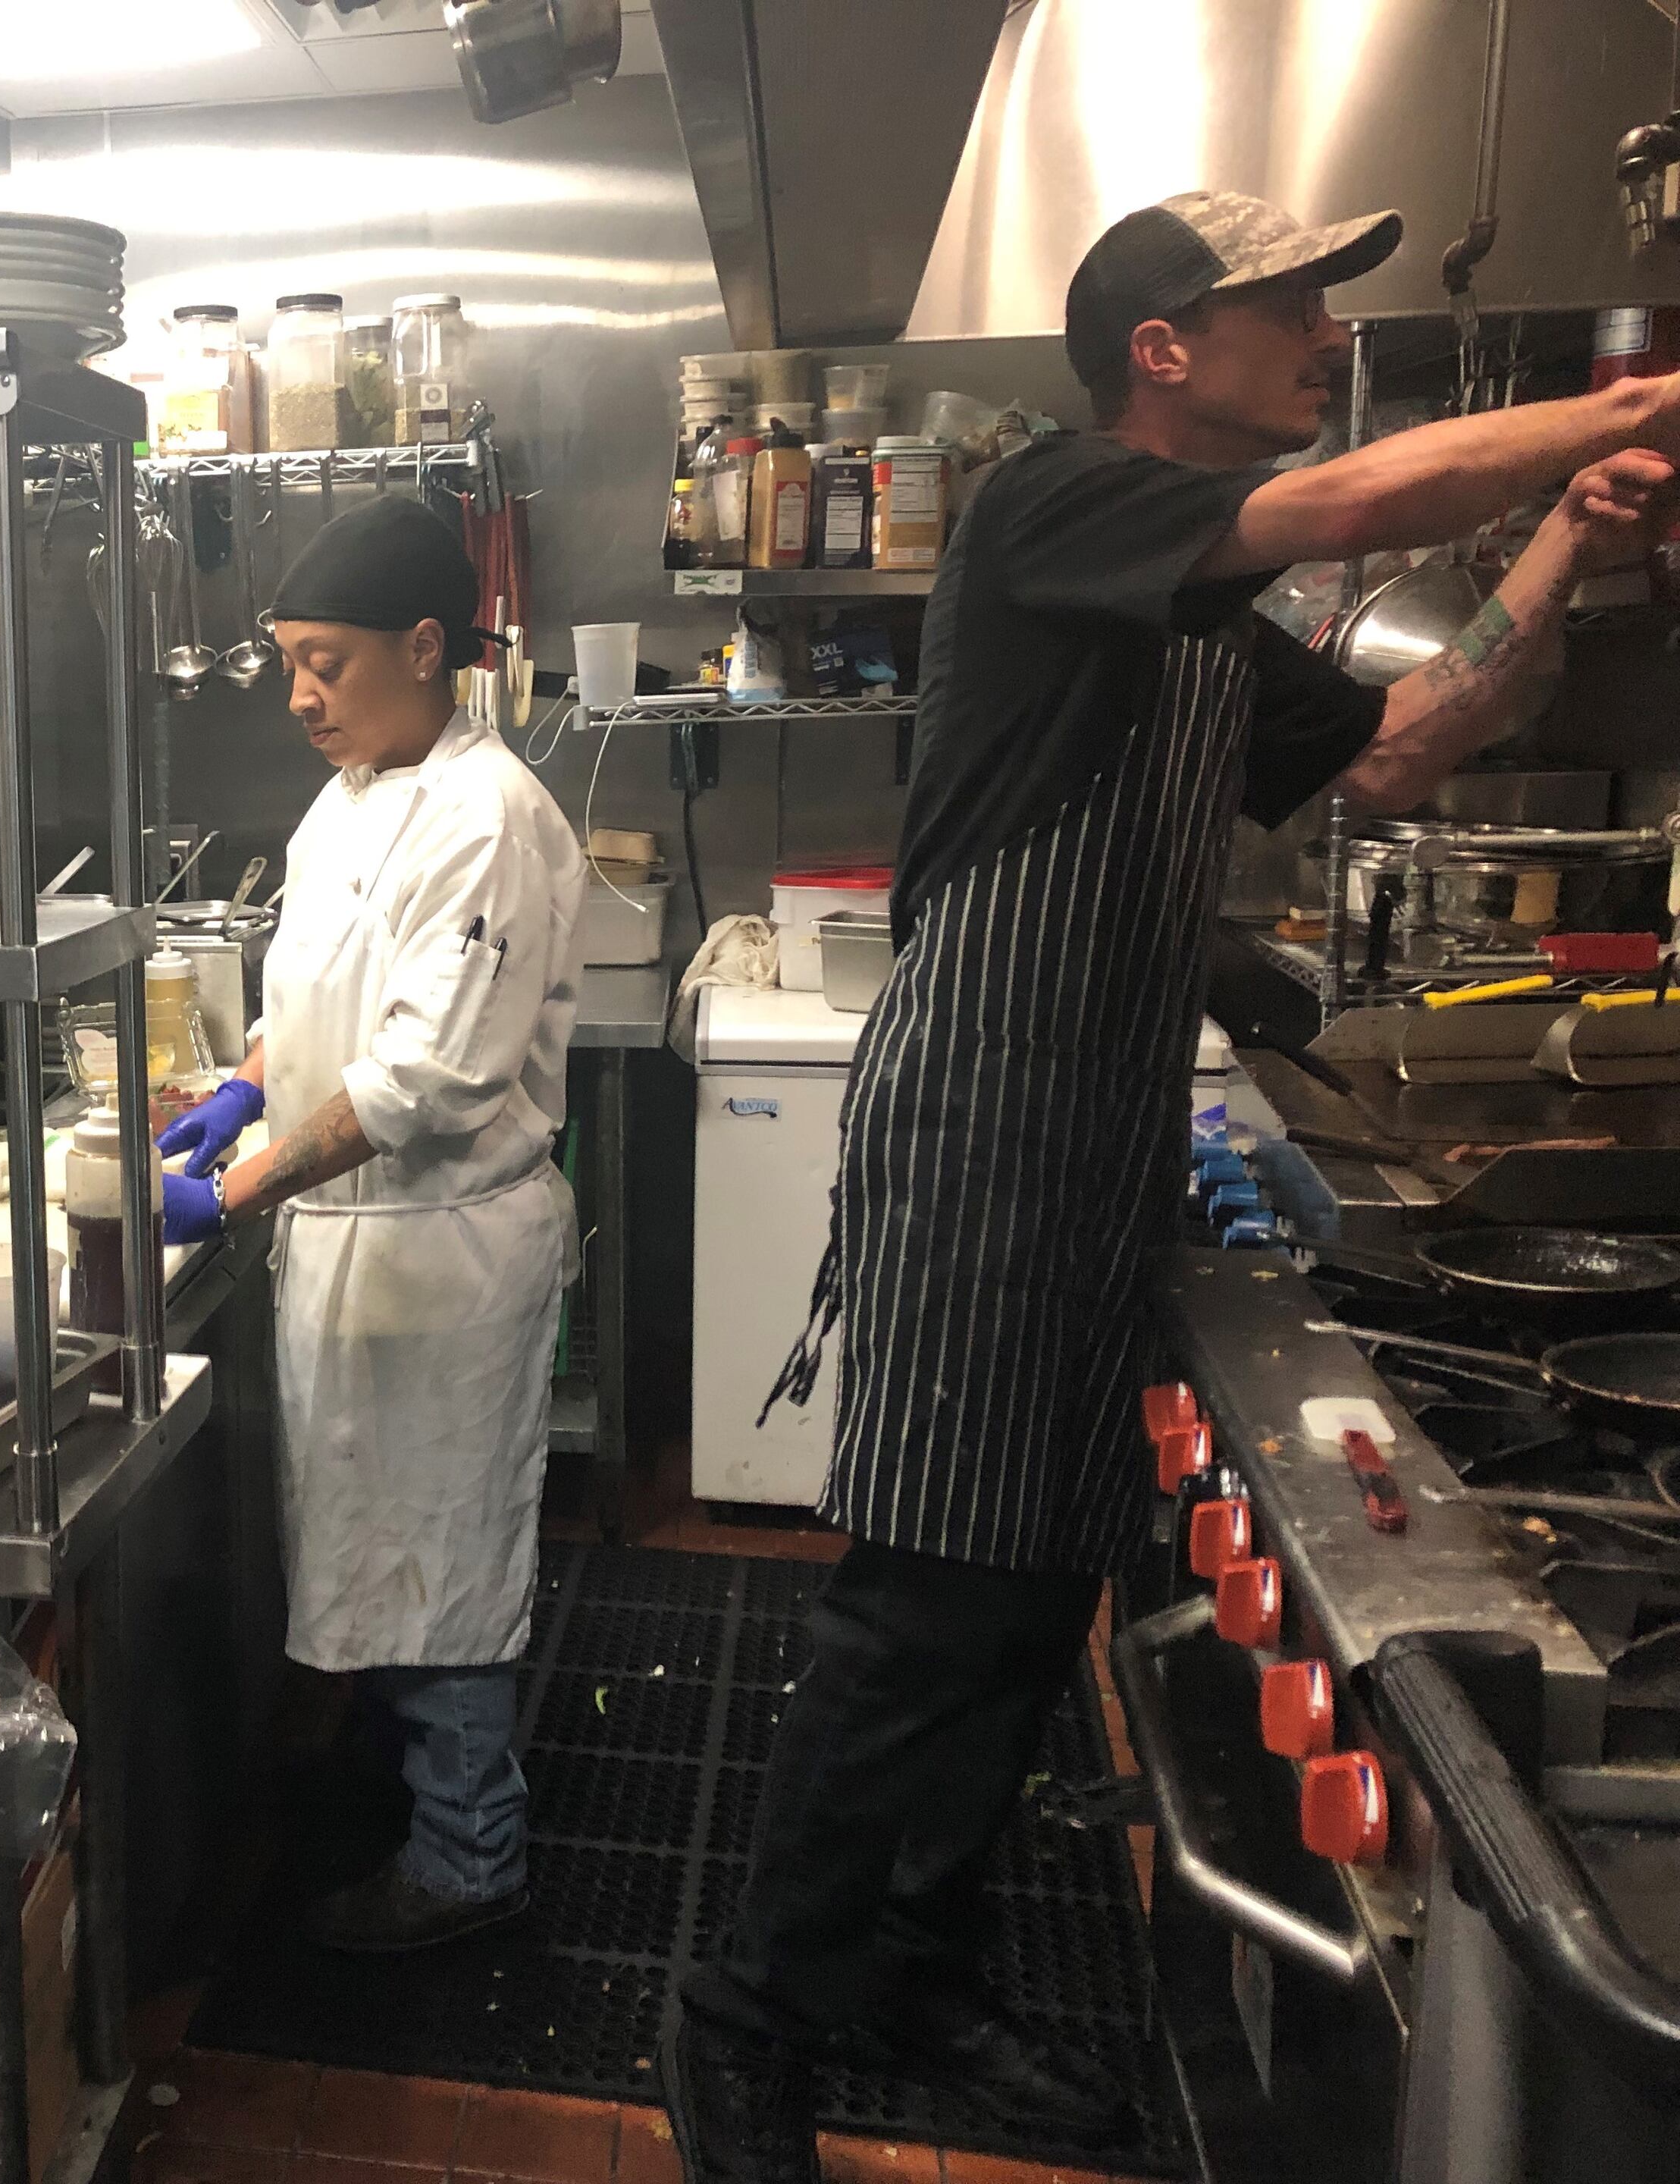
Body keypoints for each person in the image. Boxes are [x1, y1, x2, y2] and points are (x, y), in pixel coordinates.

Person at [663, 191, 1680, 2184]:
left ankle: (920, 1984)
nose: (1322, 335)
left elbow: (1404, 750)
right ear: (1163, 347)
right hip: (978, 1132)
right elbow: (1345, 506)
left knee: (1030, 1599)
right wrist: (1609, 413)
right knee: (920, 1606)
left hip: (1097, 1138)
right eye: (1290, 303)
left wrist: (1571, 538)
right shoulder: (1053, 506)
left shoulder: (1213, 616)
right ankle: (745, 2023)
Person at [154, 494, 587, 1953]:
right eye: (286, 662)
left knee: (441, 1561)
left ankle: (474, 1858)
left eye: (326, 662)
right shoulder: (346, 801)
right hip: (355, 1250)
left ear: (424, 647)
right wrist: (238, 1087)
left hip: (444, 1249)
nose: (300, 698)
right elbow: (316, 1006)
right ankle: (405, 1781)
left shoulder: (486, 820)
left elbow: (425, 1077)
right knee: (374, 1539)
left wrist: (231, 1190)